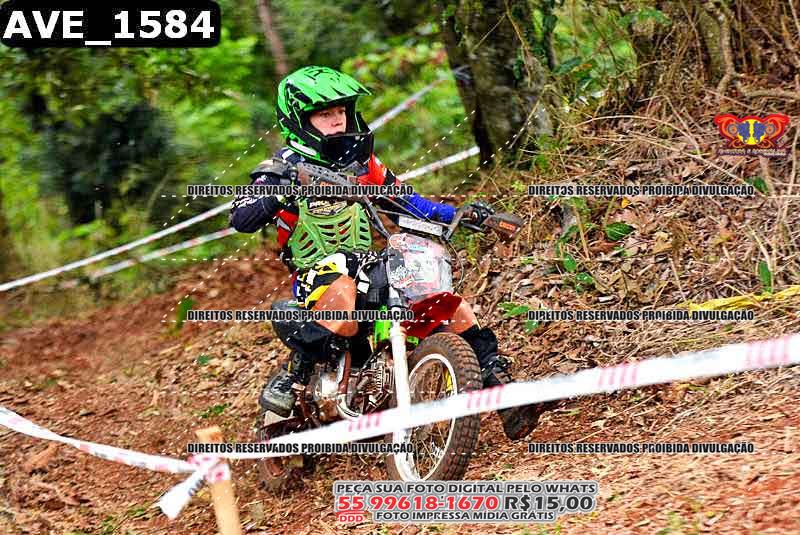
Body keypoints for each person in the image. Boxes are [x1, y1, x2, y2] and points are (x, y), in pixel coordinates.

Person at [230, 66, 552, 440]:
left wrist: (464, 215)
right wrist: (279, 191)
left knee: (450, 305)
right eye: (324, 114)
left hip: (367, 265)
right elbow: (241, 217)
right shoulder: (281, 167)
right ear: (300, 121)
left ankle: (505, 396)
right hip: (316, 274)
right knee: (343, 292)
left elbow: (408, 204)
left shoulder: (361, 163)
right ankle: (295, 372)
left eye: (341, 111)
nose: (336, 120)